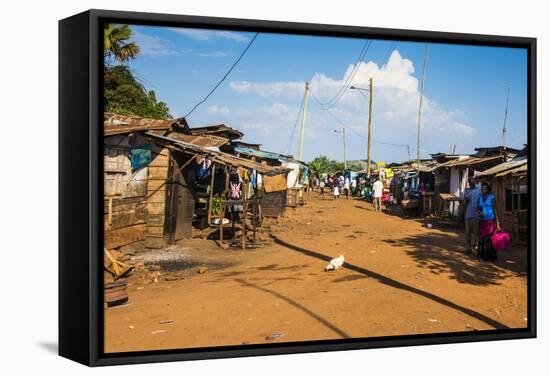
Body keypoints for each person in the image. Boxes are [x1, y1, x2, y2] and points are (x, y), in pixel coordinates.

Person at [478, 182, 500, 262]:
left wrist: (497, 221)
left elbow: (495, 209)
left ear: (488, 189)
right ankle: (482, 256)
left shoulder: (492, 197)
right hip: (482, 221)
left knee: (490, 238)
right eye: (482, 189)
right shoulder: (480, 197)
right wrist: (480, 212)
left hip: (490, 220)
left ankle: (491, 257)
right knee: (482, 238)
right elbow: (479, 208)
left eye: (485, 189)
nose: (483, 190)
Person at [463, 178, 481, 255]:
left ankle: (476, 248)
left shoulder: (479, 189)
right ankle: (468, 248)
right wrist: (465, 200)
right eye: (470, 183)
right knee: (467, 232)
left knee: (476, 232)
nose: (471, 185)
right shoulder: (467, 190)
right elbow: (465, 202)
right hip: (468, 214)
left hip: (476, 214)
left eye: (472, 183)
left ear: (475, 182)